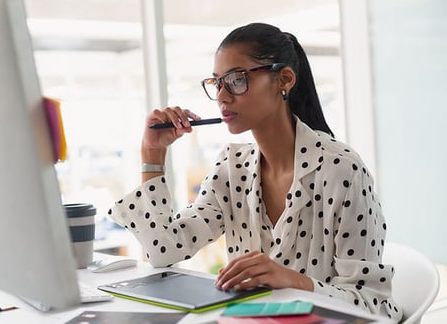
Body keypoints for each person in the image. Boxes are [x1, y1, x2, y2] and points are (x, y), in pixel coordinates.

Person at [108, 22, 402, 321]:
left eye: (236, 80)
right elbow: (164, 251)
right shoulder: (231, 168)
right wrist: (152, 155)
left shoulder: (342, 170)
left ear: (284, 80)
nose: (222, 96)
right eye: (216, 83)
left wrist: (295, 281)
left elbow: (371, 305)